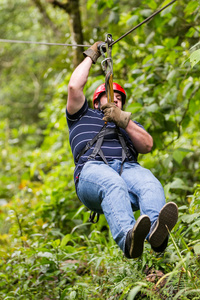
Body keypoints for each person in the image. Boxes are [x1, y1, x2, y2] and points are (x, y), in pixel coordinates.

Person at [66, 41, 178, 259]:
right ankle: (128, 238)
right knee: (112, 182)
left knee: (149, 182)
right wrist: (92, 54)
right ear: (97, 102)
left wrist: (124, 122)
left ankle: (156, 233)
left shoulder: (128, 124)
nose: (116, 100)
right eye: (111, 96)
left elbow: (147, 145)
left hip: (128, 169)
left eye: (120, 99)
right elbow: (73, 87)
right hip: (91, 172)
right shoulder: (82, 115)